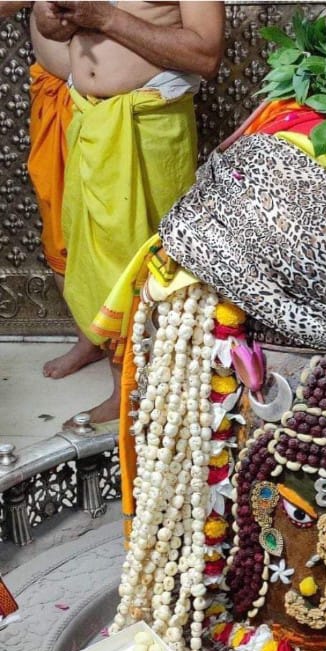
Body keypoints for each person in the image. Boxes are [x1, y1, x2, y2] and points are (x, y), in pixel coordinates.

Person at [34, 0, 225, 427]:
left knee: (153, 267)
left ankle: (169, 393)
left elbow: (205, 54)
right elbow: (58, 24)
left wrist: (103, 17)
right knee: (102, 264)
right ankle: (126, 390)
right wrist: (53, 19)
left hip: (150, 125)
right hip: (89, 119)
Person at [0, 2, 72, 335]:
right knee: (60, 228)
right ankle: (89, 338)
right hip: (57, 97)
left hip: (117, 101)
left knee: (115, 231)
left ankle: (133, 350)